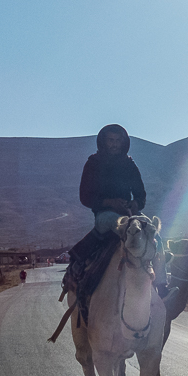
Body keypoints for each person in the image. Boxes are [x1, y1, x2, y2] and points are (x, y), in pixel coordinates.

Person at [63, 124, 148, 301]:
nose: (114, 144)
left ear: (124, 142)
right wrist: (109, 203)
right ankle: (79, 270)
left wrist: (134, 204)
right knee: (123, 227)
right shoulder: (93, 164)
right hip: (104, 215)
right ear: (103, 141)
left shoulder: (129, 164)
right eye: (111, 140)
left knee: (151, 228)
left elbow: (141, 196)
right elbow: (85, 197)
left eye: (118, 140)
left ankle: (160, 283)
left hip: (128, 214)